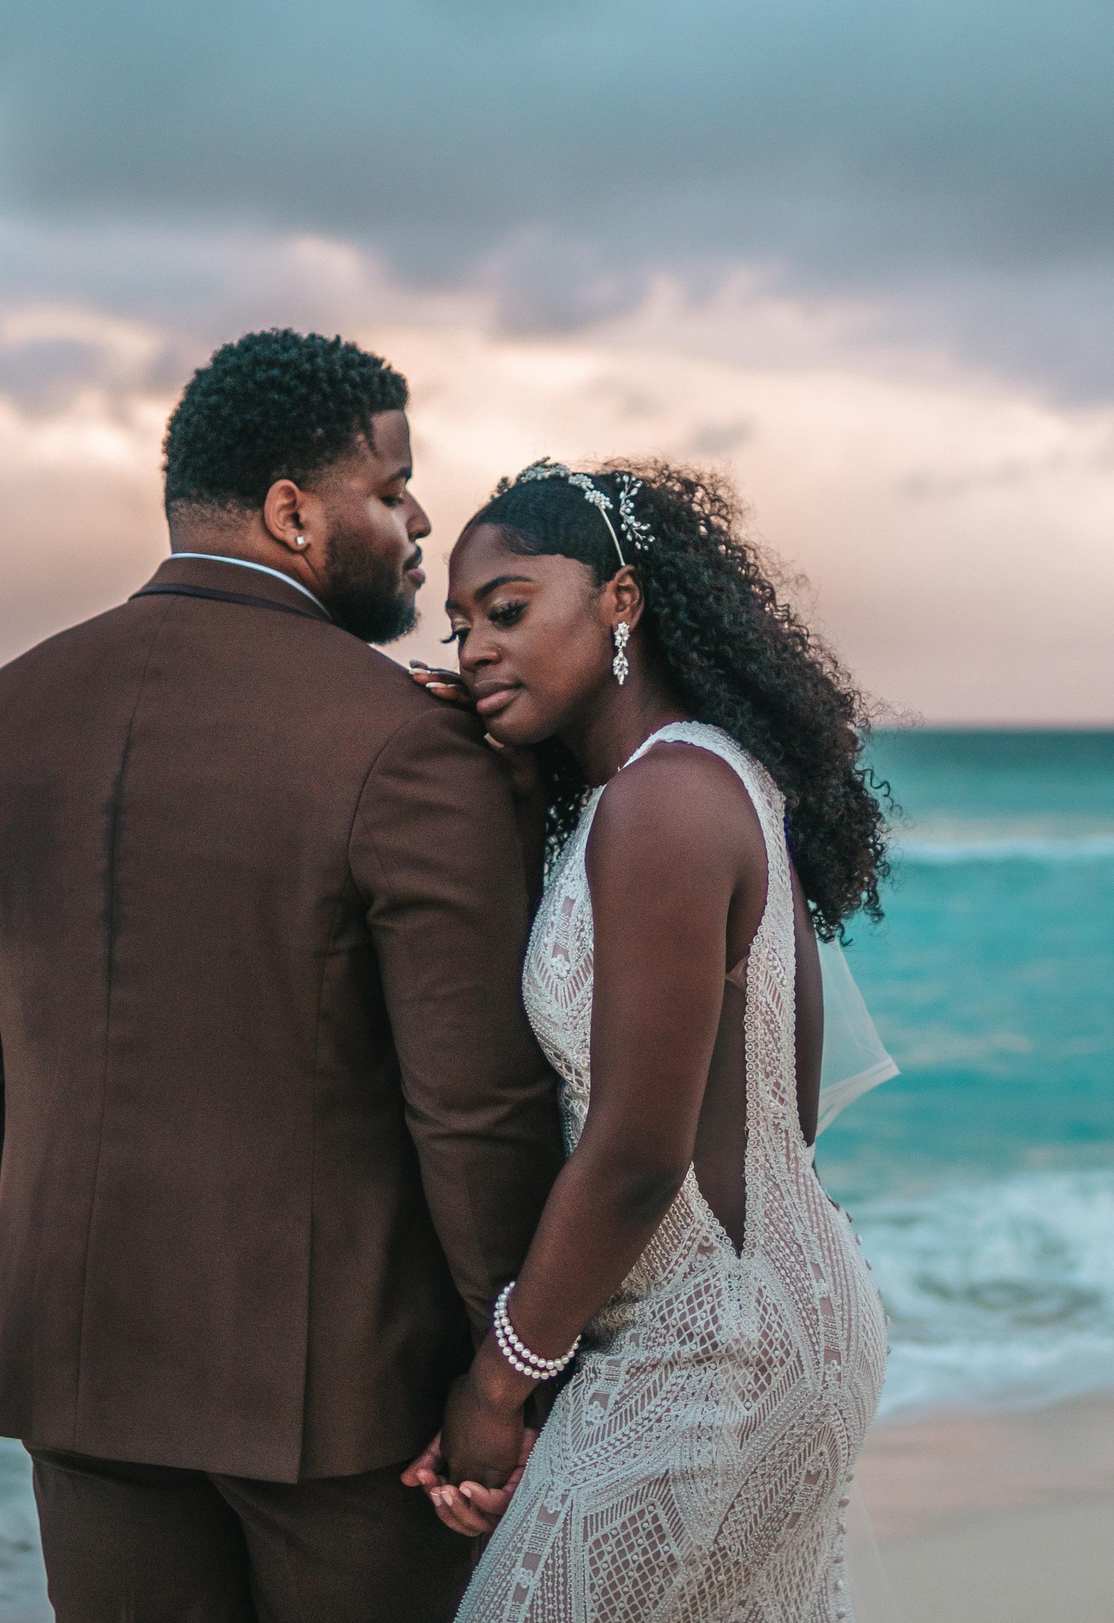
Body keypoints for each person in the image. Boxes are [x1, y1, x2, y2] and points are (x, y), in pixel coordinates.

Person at [0, 330, 564, 1623]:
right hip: (351, 1411)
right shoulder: (406, 745)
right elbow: (473, 1106)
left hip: (83, 1367)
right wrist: (510, 1372)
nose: (423, 517)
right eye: (392, 488)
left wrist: (43, 1254)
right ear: (290, 511)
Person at [403, 458, 895, 1620]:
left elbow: (635, 1152)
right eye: (460, 623)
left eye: (509, 610)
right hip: (767, 1328)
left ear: (621, 601)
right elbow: (788, 1096)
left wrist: (498, 1382)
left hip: (711, 1358)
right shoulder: (702, 780)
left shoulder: (660, 806)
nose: (473, 647)